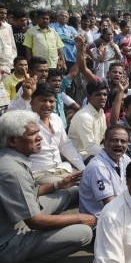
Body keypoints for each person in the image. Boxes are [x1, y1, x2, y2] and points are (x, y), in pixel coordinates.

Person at [0, 110, 95, 262]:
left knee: (70, 192)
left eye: (39, 132)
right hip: (9, 242)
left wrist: (58, 184)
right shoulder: (13, 171)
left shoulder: (9, 157)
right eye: (32, 134)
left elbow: (30, 193)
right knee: (84, 232)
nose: (40, 138)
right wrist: (79, 217)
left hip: (17, 219)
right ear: (12, 141)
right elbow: (36, 222)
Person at [68, 80, 108, 162]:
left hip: (94, 153)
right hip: (80, 156)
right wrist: (110, 155)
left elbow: (103, 139)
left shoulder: (101, 113)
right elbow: (89, 147)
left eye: (105, 94)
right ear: (89, 97)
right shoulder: (84, 116)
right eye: (98, 94)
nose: (103, 97)